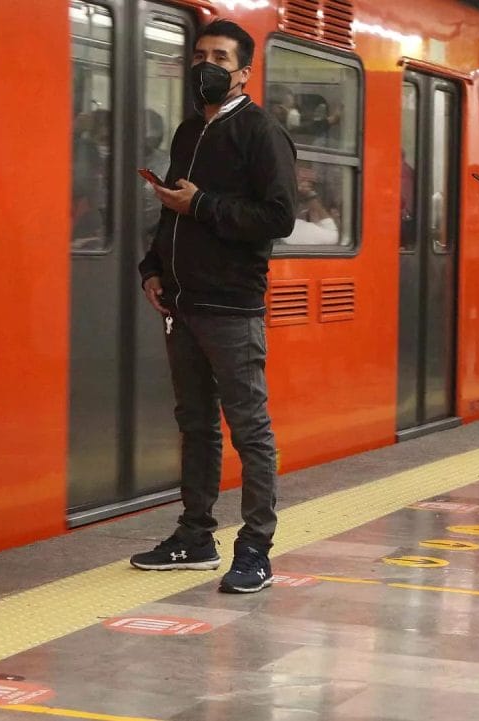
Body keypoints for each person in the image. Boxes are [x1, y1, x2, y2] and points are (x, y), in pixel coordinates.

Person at [130, 19, 298, 594]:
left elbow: (278, 218)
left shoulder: (260, 133)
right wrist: (151, 269)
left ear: (244, 71)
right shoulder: (187, 132)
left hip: (231, 306)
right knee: (196, 426)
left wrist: (203, 204)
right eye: (200, 54)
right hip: (182, 304)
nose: (207, 65)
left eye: (220, 57)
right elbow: (170, 208)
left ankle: (255, 548)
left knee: (249, 428)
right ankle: (195, 536)